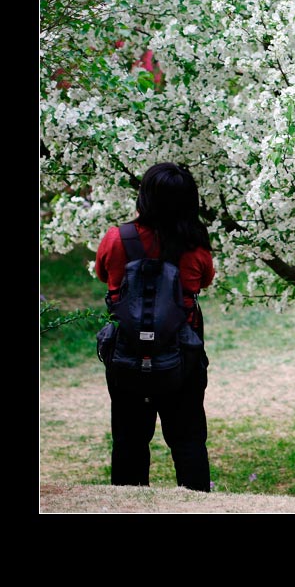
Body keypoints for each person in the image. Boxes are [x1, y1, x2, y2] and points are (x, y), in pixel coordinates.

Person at [95, 162, 215, 492]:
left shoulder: (117, 239)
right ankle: (197, 507)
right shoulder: (197, 246)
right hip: (182, 357)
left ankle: (126, 508)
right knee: (188, 441)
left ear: (144, 197)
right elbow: (204, 280)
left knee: (128, 442)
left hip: (127, 357)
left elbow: (104, 276)